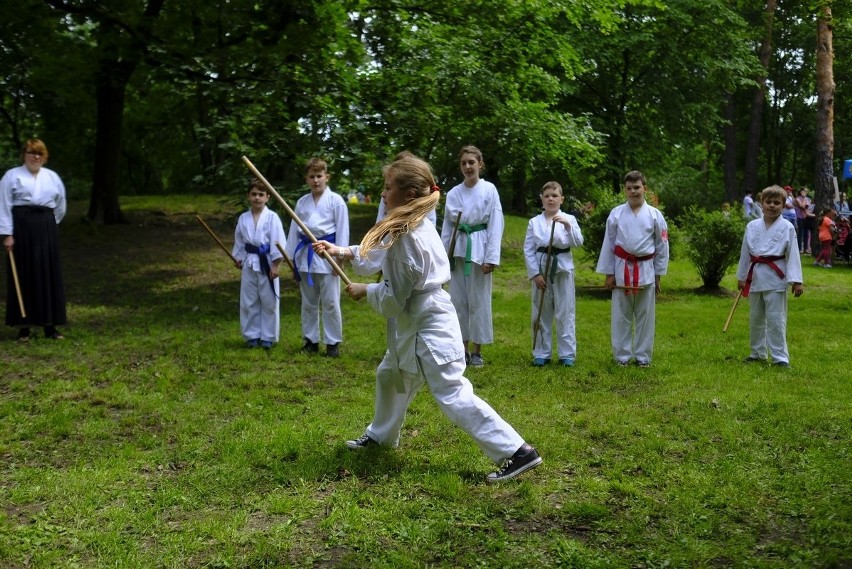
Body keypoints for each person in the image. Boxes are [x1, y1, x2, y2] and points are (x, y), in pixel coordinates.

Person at [313, 154, 542, 483]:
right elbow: (377, 253)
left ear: (407, 195)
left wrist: (366, 290)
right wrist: (343, 252)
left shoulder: (410, 239)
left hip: (429, 327)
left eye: (387, 187)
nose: (382, 193)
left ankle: (516, 451)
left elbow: (393, 298)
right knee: (390, 374)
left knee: (452, 392)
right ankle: (381, 436)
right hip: (416, 324)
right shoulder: (408, 226)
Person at [595, 170, 669, 367]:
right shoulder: (616, 214)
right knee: (621, 315)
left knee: (645, 316)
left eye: (637, 187)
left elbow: (662, 246)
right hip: (621, 269)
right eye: (629, 188)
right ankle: (622, 356)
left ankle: (643, 357)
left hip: (645, 269)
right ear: (624, 191)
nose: (633, 192)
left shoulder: (655, 215)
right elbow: (609, 245)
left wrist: (659, 275)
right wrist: (609, 273)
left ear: (645, 188)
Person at [440, 145, 504, 367]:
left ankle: (477, 350)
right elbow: (448, 227)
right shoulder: (454, 193)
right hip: (458, 250)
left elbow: (496, 224)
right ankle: (462, 348)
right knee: (458, 301)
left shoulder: (489, 190)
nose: (467, 167)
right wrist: (443, 256)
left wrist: (491, 257)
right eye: (463, 163)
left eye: (471, 162)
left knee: (479, 301)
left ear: (480, 164)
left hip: (479, 249)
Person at [0, 139, 67, 342]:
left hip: (46, 227)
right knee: (24, 273)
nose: (35, 157)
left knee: (47, 273)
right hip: (21, 228)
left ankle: (50, 326)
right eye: (31, 153)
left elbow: (60, 204)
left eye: (39, 153)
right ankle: (24, 327)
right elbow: (3, 204)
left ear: (45, 157)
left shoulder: (52, 177)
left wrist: (50, 225)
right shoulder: (11, 176)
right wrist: (7, 234)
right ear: (24, 155)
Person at [285, 157, 349, 357]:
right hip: (305, 255)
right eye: (312, 177)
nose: (316, 180)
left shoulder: (336, 201)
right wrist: (289, 256)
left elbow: (342, 229)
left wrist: (340, 256)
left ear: (326, 177)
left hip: (328, 255)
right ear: (306, 179)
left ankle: (332, 343)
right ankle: (310, 341)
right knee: (309, 302)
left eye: (319, 176)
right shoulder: (302, 202)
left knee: (330, 302)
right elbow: (294, 231)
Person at [736, 185, 803, 367]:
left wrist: (796, 281)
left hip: (775, 278)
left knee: (776, 318)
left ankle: (780, 357)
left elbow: (793, 254)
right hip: (755, 276)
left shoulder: (787, 227)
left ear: (783, 206)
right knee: (756, 317)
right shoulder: (752, 226)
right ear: (761, 203)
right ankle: (757, 353)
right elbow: (745, 253)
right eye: (768, 202)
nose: (772, 206)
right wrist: (742, 276)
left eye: (776, 203)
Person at [524, 181, 584, 367]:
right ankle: (542, 352)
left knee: (565, 311)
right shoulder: (534, 222)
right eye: (547, 195)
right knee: (541, 310)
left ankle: (567, 354)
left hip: (563, 269)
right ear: (541, 199)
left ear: (561, 199)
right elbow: (528, 249)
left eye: (555, 196)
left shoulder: (569, 219)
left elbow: (578, 242)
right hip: (541, 269)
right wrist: (535, 274)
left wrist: (567, 226)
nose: (551, 199)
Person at [231, 179, 285, 349]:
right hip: (249, 263)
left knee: (269, 300)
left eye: (261, 194)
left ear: (267, 197)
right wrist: (238, 257)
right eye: (254, 194)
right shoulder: (243, 218)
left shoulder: (272, 217)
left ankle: (268, 336)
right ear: (248, 196)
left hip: (267, 262)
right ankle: (252, 335)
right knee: (249, 300)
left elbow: (278, 242)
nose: (257, 198)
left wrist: (276, 265)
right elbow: (239, 241)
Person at [795, 188, 814, 254]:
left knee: (806, 234)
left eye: (806, 191)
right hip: (800, 217)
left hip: (806, 218)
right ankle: (799, 249)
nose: (805, 192)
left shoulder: (808, 199)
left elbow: (809, 207)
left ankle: (806, 248)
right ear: (800, 192)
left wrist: (806, 200)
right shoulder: (797, 199)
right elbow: (802, 206)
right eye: (803, 191)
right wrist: (805, 199)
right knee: (800, 233)